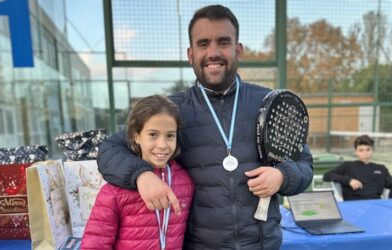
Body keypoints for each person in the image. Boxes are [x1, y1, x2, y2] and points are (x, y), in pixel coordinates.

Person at [97, 5, 313, 249]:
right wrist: (141, 175)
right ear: (190, 54)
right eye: (203, 44)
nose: (213, 53)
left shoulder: (270, 103)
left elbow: (305, 165)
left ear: (238, 50)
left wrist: (282, 176)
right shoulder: (171, 110)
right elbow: (109, 150)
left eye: (223, 42)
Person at [81, 95, 194, 249]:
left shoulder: (185, 182)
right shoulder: (114, 190)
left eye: (170, 136)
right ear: (136, 136)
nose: (162, 145)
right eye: (153, 134)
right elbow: (95, 244)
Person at [323, 134, 392, 201]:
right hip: (353, 204)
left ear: (372, 150)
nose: (365, 153)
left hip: (376, 205)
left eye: (368, 149)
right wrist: (349, 181)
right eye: (361, 150)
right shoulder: (347, 166)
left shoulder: (381, 169)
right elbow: (327, 176)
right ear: (356, 151)